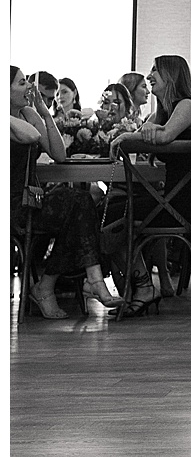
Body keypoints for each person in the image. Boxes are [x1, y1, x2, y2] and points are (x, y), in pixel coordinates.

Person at [10, 67, 120, 316]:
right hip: (10, 204)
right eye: (21, 83)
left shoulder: (27, 113)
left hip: (31, 199)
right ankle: (81, 283)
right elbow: (32, 136)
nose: (29, 87)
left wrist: (45, 114)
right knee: (80, 207)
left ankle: (72, 282)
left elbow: (59, 154)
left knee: (81, 205)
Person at [108, 55, 191, 312]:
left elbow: (162, 135)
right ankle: (139, 285)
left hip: (187, 204)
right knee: (109, 214)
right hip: (173, 198)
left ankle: (141, 286)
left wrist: (131, 136)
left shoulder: (187, 105)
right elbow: (143, 132)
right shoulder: (163, 110)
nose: (150, 75)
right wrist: (135, 134)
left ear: (172, 76)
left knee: (112, 219)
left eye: (156, 70)